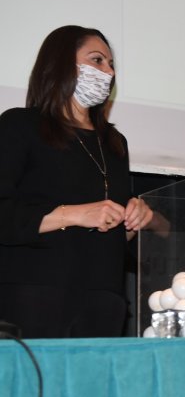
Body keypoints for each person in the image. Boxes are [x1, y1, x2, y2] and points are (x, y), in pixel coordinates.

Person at [0, 25, 154, 338]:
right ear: (60, 63)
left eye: (111, 64)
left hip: (104, 299)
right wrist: (73, 213)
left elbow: (109, 233)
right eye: (97, 60)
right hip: (36, 295)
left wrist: (132, 220)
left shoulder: (114, 142)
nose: (108, 71)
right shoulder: (20, 125)